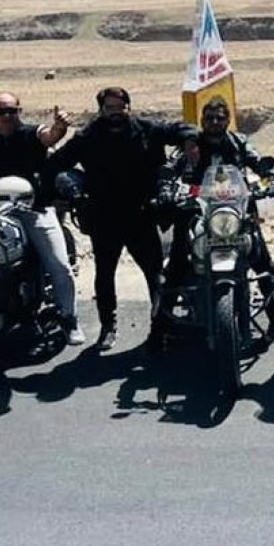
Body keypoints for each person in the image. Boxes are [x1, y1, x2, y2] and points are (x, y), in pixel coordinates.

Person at [46, 88, 191, 351]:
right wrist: (70, 190)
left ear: (129, 107)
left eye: (120, 107)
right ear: (101, 110)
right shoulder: (87, 136)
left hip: (142, 215)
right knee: (104, 276)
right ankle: (108, 328)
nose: (115, 113)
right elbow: (57, 163)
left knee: (156, 276)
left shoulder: (148, 130)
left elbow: (181, 130)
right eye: (109, 108)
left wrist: (190, 140)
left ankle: (160, 326)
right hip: (105, 216)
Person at [157, 97, 274, 345]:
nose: (215, 122)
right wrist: (166, 186)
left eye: (220, 118)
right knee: (175, 266)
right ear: (202, 121)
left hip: (234, 210)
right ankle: (159, 329)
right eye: (210, 118)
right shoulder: (191, 144)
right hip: (196, 211)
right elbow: (171, 165)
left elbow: (256, 161)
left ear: (228, 120)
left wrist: (268, 179)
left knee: (263, 263)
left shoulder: (239, 141)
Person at [0, 91, 83, 346]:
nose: (8, 116)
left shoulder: (32, 134)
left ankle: (69, 317)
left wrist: (59, 128)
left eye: (12, 111)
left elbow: (49, 136)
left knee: (58, 263)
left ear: (20, 110)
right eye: (1, 111)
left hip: (35, 209)